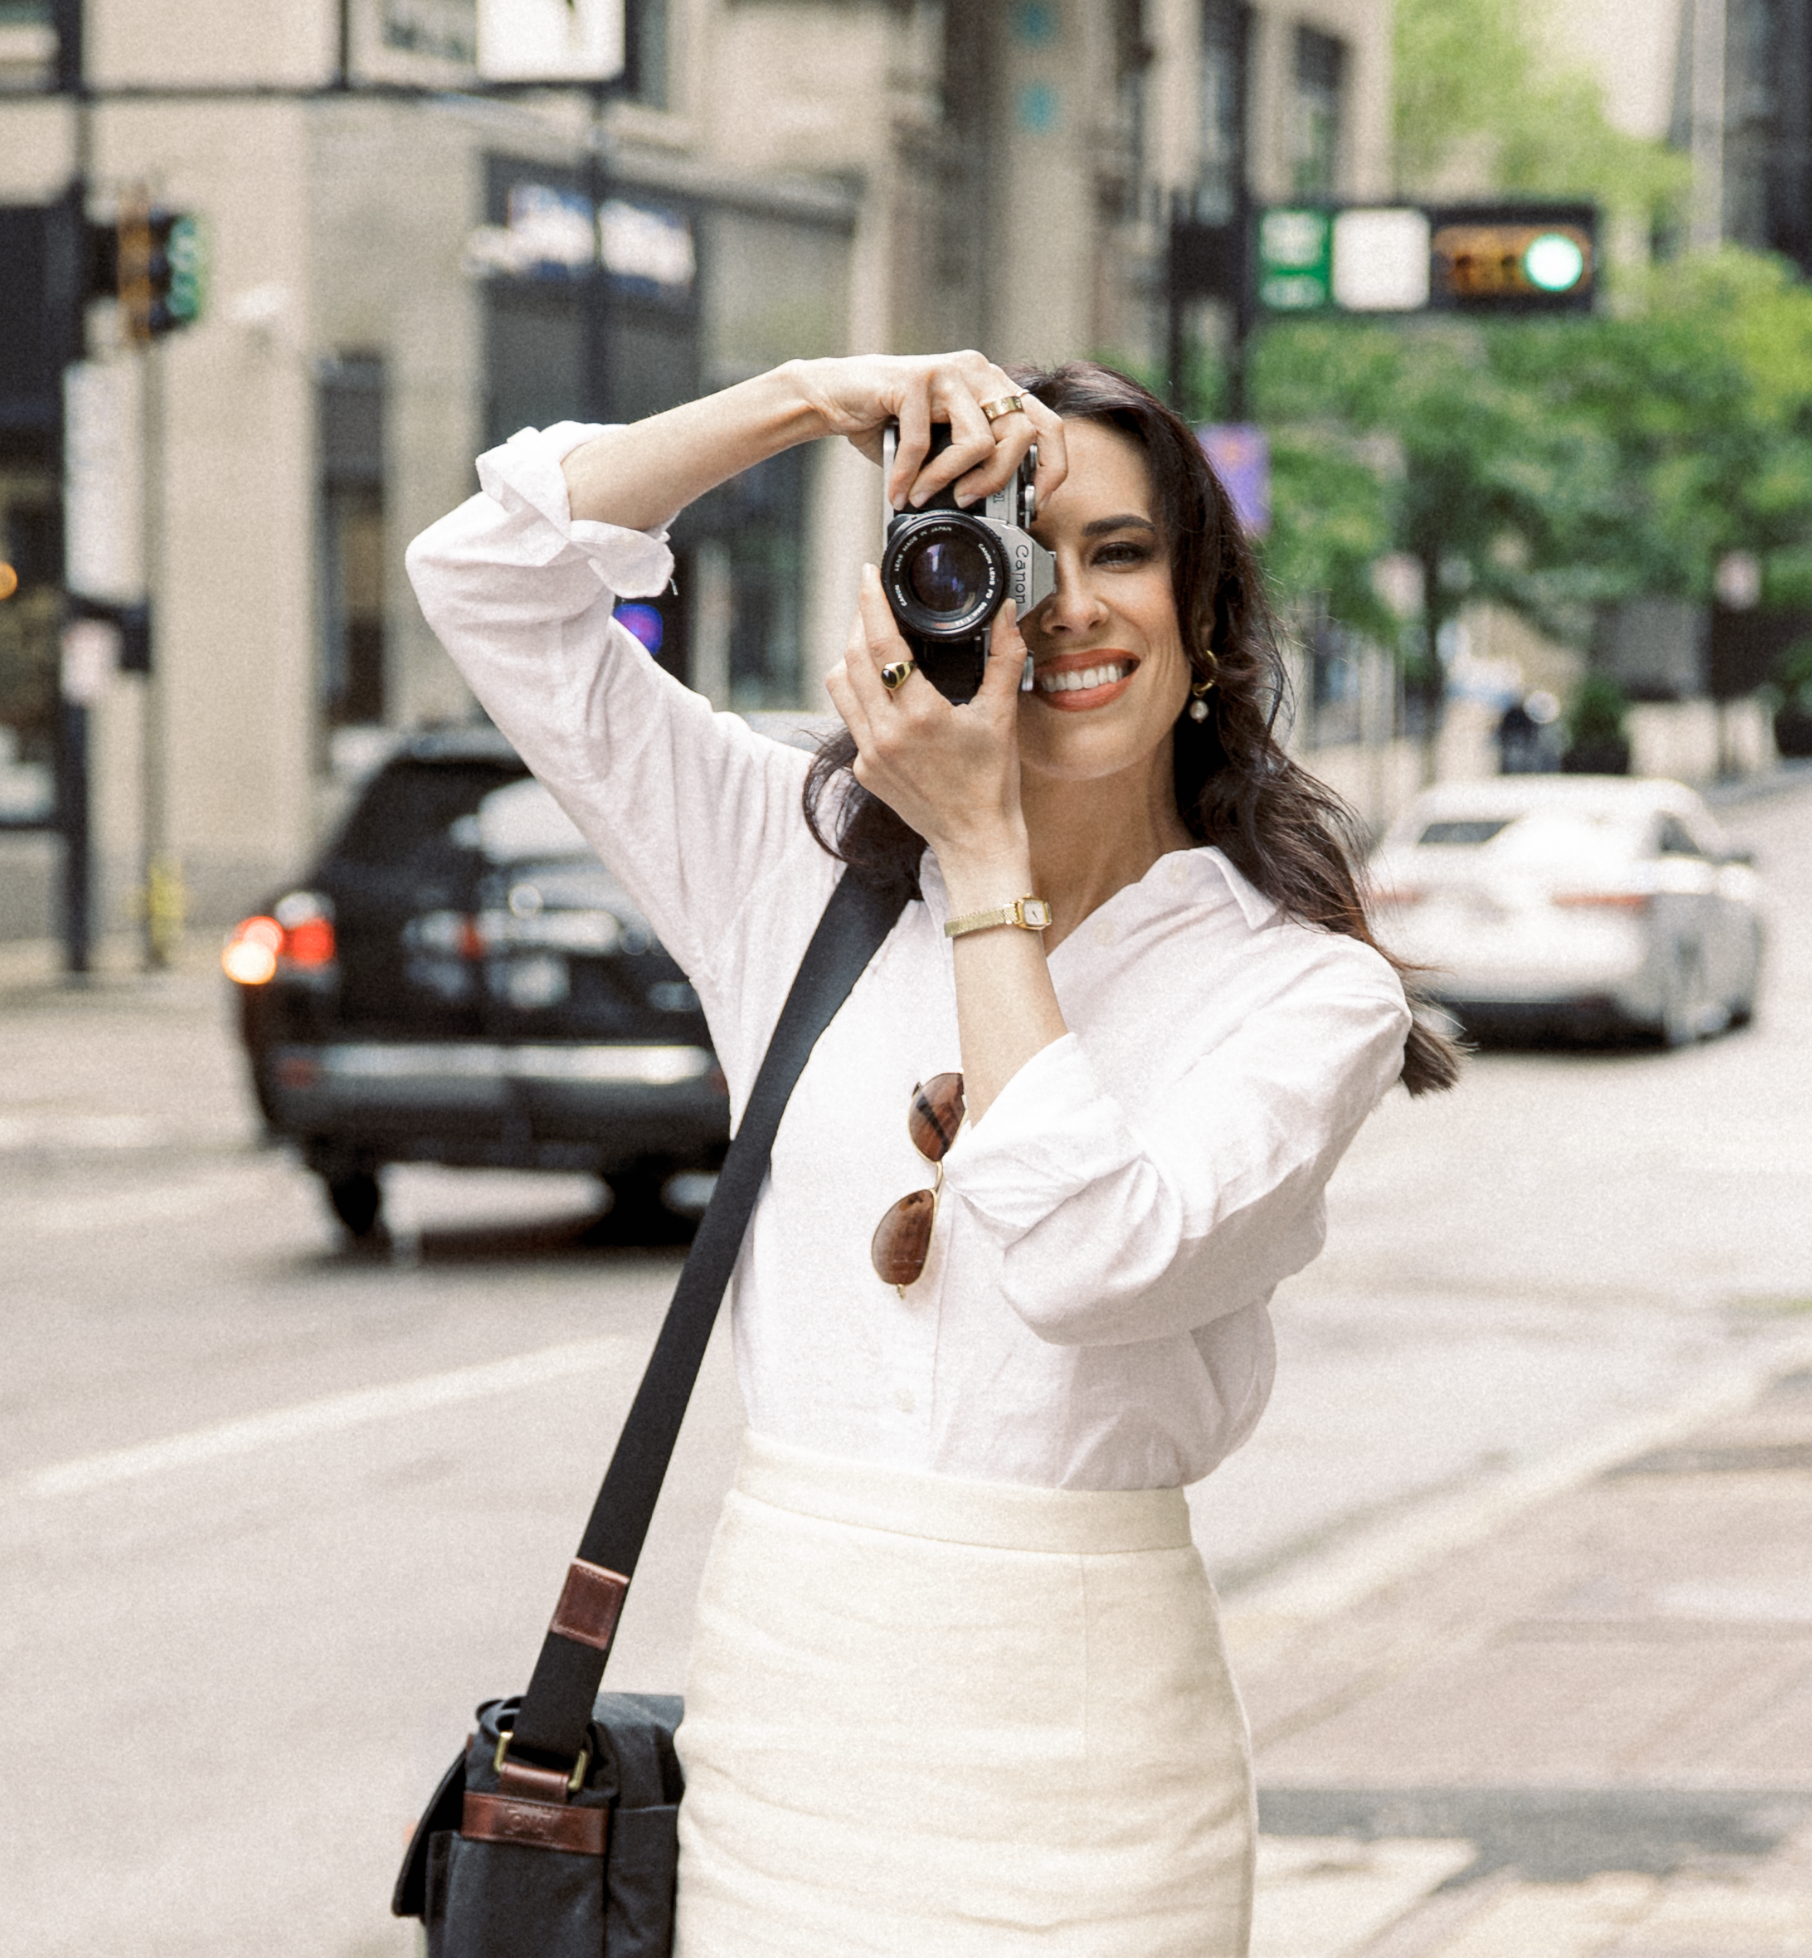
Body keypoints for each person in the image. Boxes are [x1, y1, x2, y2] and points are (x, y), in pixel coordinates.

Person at [406, 350, 1457, 1957]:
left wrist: (979, 857)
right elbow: (486, 574)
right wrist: (809, 400)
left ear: (1210, 614)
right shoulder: (785, 862)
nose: (1069, 610)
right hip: (793, 1735)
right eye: (1012, 555)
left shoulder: (1308, 986)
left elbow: (1099, 1257)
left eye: (1118, 553)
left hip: (1092, 1771)